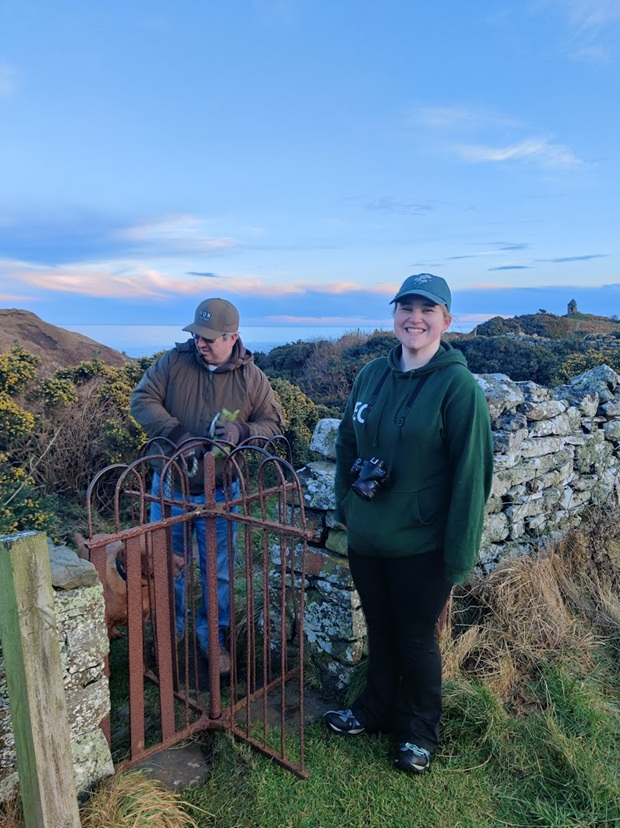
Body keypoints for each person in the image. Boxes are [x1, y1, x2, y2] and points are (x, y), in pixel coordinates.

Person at [324, 273, 493, 773]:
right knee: (379, 627)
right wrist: (347, 510)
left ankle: (418, 731)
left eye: (427, 309)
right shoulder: (371, 375)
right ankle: (375, 709)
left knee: (416, 637)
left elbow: (471, 475)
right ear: (394, 315)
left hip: (423, 544)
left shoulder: (459, 387)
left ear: (446, 320)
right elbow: (347, 447)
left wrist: (458, 554)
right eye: (406, 307)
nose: (414, 318)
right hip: (368, 535)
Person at [130, 297, 284, 674]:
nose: (201, 343)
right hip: (169, 487)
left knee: (219, 574)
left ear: (233, 337)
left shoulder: (252, 378)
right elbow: (141, 399)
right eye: (197, 334)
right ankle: (171, 639)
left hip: (221, 492)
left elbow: (275, 423)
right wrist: (177, 434)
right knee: (166, 568)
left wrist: (243, 431)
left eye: (210, 338)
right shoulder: (174, 362)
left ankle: (212, 640)